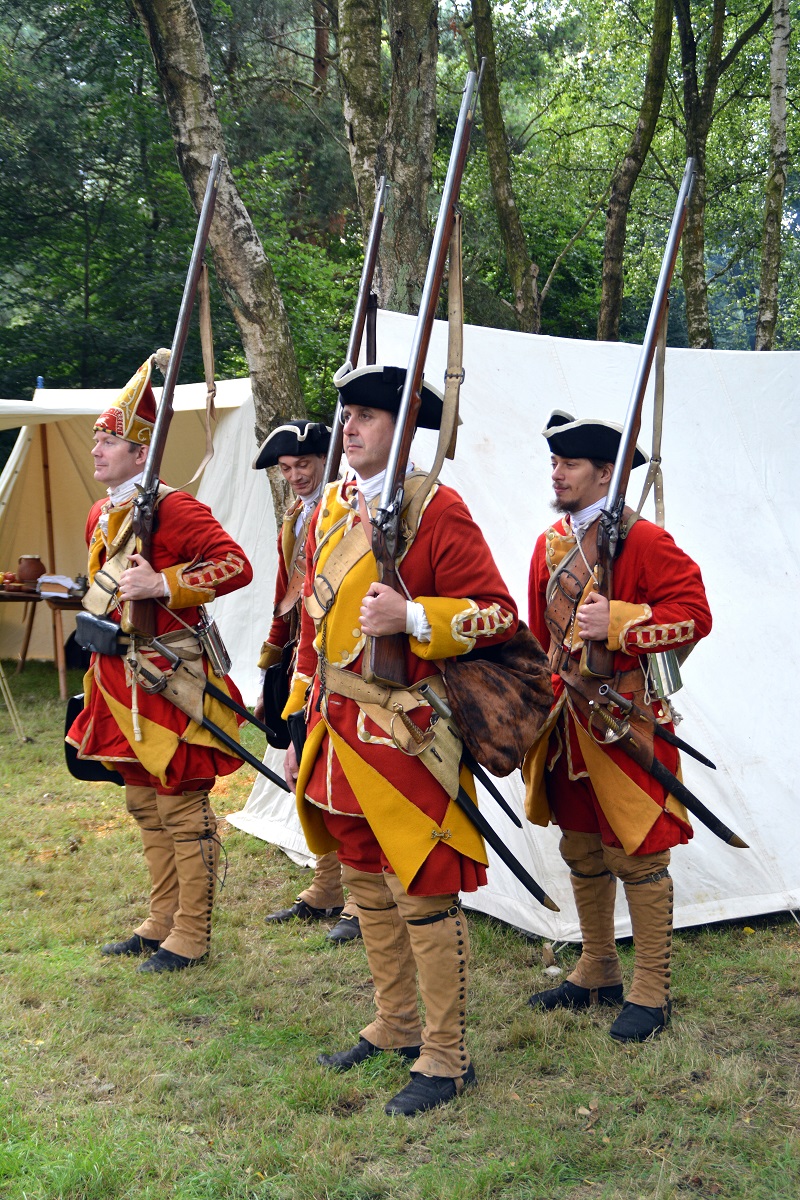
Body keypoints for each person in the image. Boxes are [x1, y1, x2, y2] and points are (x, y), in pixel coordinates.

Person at [282, 363, 518, 1116]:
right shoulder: (331, 511)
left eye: (368, 416)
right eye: (346, 413)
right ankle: (394, 1023)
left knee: (422, 887)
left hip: (407, 732)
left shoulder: (436, 509)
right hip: (337, 726)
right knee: (360, 877)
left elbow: (497, 615)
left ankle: (446, 1056)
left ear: (404, 428)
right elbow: (313, 627)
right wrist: (297, 712)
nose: (348, 427)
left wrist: (415, 621)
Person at [524, 410, 712, 1041]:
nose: (557, 473)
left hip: (624, 718)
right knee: (580, 846)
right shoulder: (550, 545)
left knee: (638, 852)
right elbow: (535, 633)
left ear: (606, 473)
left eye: (569, 464)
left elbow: (694, 615)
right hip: (565, 718)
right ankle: (598, 967)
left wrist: (625, 622)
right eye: (554, 462)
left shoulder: (645, 541)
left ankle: (652, 990)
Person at [66, 353, 253, 974]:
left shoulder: (175, 508)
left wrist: (165, 584)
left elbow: (235, 566)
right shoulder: (101, 514)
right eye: (97, 440)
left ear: (140, 453)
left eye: (109, 442)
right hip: (117, 677)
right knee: (143, 803)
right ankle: (160, 920)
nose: (96, 451)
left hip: (169, 676)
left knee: (179, 803)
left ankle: (192, 934)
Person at [252, 420, 362, 944]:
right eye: (287, 468)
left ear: (327, 460)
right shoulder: (296, 518)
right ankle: (327, 885)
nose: (295, 476)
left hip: (345, 662)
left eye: (305, 465)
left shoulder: (353, 515)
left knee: (347, 779)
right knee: (309, 777)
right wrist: (270, 666)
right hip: (303, 664)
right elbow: (284, 597)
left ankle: (364, 900)